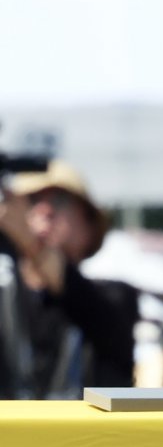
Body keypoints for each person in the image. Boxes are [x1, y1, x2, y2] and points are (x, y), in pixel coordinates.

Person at [0, 160, 136, 397]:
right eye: (32, 201)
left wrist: (30, 240)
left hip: (85, 435)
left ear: (89, 225)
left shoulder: (115, 296)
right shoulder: (5, 298)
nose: (45, 210)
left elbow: (83, 299)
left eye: (59, 200)